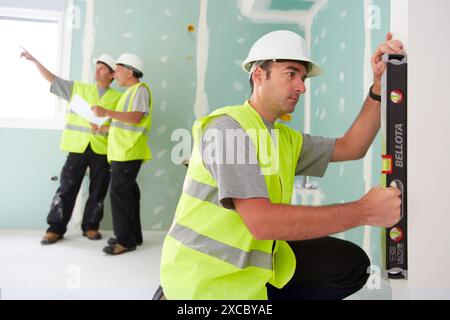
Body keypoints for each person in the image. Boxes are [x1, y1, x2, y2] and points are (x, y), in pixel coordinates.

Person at [158, 30, 404, 300]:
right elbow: (262, 223)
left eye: (302, 77)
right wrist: (363, 211)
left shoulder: (283, 138)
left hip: (251, 268)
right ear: (259, 75)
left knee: (349, 264)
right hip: (202, 286)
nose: (302, 87)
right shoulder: (228, 129)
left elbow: (352, 147)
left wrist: (378, 89)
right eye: (291, 73)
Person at [21, 49, 122, 245]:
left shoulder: (119, 98)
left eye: (102, 69)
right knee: (67, 187)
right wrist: (35, 61)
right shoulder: (79, 89)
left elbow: (121, 126)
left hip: (102, 150)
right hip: (77, 147)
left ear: (112, 75)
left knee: (98, 189)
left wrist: (105, 128)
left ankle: (91, 226)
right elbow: (53, 80)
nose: (97, 71)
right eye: (97, 68)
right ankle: (55, 228)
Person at [92, 53, 152, 255]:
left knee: (119, 195)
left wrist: (107, 113)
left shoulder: (140, 90)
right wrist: (105, 129)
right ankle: (132, 235)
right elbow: (123, 124)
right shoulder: (128, 93)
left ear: (129, 71)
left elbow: (135, 118)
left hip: (128, 153)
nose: (114, 74)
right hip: (123, 152)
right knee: (128, 195)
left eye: (117, 70)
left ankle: (124, 241)